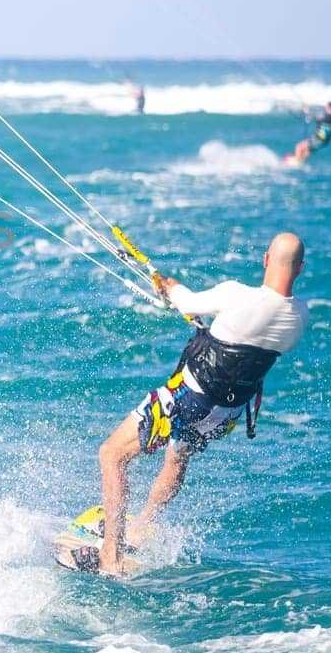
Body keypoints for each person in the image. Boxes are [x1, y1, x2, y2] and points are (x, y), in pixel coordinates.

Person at [83, 233, 310, 575]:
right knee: (177, 458)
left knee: (112, 455)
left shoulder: (236, 294)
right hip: (225, 413)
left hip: (187, 399)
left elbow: (186, 302)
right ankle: (141, 527)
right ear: (300, 269)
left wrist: (170, 286)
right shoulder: (300, 317)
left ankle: (110, 558)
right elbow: (249, 340)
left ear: (265, 260)